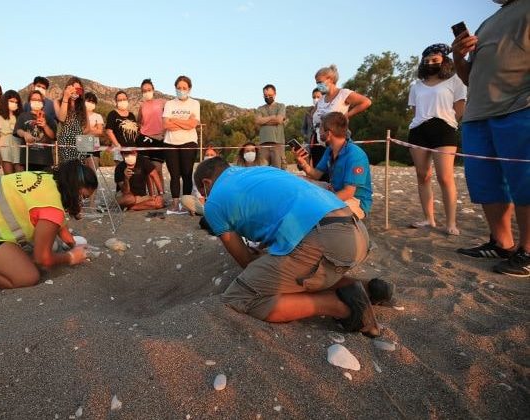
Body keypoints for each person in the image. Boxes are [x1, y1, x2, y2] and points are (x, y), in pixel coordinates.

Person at [194, 157, 393, 336]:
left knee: (242, 297)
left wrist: (257, 261)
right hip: (355, 230)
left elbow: (245, 261)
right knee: (292, 270)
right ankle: (368, 288)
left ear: (206, 183)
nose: (205, 198)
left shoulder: (214, 202)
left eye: (204, 194)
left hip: (325, 242)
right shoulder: (260, 171)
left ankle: (344, 307)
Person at [452, 0, 530, 277]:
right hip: (477, 114)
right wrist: (458, 57)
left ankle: (528, 251)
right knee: (485, 184)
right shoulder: (488, 23)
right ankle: (502, 243)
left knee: (525, 180)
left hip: (519, 107)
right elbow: (470, 78)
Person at [0, 160, 97, 293]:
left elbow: (59, 225)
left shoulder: (47, 179)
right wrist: (71, 257)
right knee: (27, 277)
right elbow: (42, 259)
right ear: (73, 190)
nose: (81, 204)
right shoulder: (52, 208)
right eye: (82, 197)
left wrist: (72, 243)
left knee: (45, 247)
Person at [407, 44, 467, 235]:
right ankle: (429, 219)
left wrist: (450, 123)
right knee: (422, 175)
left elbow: (460, 107)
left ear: (444, 60)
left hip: (444, 129)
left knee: (445, 177)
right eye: (427, 60)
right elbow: (415, 111)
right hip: (419, 130)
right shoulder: (416, 86)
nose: (430, 63)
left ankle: (451, 223)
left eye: (435, 59)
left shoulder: (455, 81)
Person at [294, 112, 372, 219]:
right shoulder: (330, 150)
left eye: (320, 129)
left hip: (355, 200)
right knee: (299, 180)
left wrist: (322, 201)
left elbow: (348, 192)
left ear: (328, 133)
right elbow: (316, 175)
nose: (318, 133)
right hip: (335, 191)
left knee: (322, 212)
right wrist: (303, 163)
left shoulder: (355, 155)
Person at [312, 65, 372, 181]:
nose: (318, 86)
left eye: (320, 82)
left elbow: (366, 102)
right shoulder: (321, 99)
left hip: (337, 141)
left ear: (330, 79)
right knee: (321, 177)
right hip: (322, 143)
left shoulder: (343, 94)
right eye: (316, 83)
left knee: (338, 176)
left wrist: (346, 115)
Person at [164, 75, 200, 213]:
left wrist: (174, 120)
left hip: (189, 143)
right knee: (174, 175)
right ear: (175, 88)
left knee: (186, 173)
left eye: (184, 88)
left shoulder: (195, 104)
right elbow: (165, 124)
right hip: (170, 143)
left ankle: (186, 204)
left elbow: (193, 124)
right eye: (179, 88)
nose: (181, 90)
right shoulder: (169, 104)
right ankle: (175, 204)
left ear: (189, 89)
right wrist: (185, 122)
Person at [14, 90, 55, 171]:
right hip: (28, 158)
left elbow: (53, 136)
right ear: (29, 102)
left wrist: (45, 126)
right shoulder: (23, 116)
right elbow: (18, 130)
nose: (36, 102)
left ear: (43, 102)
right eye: (33, 99)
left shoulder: (48, 118)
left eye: (39, 100)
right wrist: (25, 134)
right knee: (28, 182)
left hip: (45, 160)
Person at [137, 78, 167, 188]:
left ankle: (161, 194)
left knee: (158, 169)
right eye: (144, 91)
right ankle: (151, 195)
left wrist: (164, 133)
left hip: (159, 139)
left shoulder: (162, 102)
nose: (146, 92)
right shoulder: (141, 106)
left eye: (148, 90)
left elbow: (168, 117)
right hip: (144, 139)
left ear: (153, 89)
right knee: (147, 170)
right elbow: (138, 121)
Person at [55, 76, 87, 164]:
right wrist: (66, 98)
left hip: (80, 142)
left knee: (80, 169)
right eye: (73, 89)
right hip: (65, 142)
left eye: (78, 89)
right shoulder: (57, 102)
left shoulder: (82, 106)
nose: (75, 92)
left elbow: (86, 127)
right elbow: (61, 118)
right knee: (67, 168)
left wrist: (85, 144)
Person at [254, 84, 286, 169]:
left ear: (275, 94)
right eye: (265, 95)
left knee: (279, 170)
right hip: (263, 144)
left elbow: (279, 120)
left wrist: (264, 121)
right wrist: (272, 117)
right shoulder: (260, 108)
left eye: (270, 95)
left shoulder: (281, 106)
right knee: (263, 170)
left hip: (278, 143)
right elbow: (257, 121)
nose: (267, 97)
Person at [83, 92, 104, 208]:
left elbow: (100, 132)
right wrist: (93, 129)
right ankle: (82, 199)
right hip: (81, 145)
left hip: (94, 146)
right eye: (88, 101)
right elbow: (80, 131)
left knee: (93, 174)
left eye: (92, 102)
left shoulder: (98, 116)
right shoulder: (80, 116)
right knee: (82, 174)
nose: (90, 104)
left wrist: (87, 130)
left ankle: (92, 203)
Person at [0, 90, 24, 174]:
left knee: (20, 175)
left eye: (16, 102)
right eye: (11, 101)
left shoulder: (20, 116)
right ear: (5, 101)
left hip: (18, 144)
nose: (14, 103)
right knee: (8, 176)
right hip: (4, 145)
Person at [106, 90, 138, 163]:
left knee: (133, 171)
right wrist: (117, 145)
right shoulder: (113, 114)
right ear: (116, 102)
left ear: (127, 100)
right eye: (120, 100)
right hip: (120, 149)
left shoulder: (131, 115)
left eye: (124, 99)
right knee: (121, 170)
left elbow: (135, 132)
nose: (122, 101)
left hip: (132, 149)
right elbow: (109, 131)